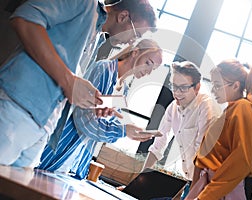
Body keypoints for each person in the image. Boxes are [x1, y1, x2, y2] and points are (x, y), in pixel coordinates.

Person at [0, 0, 157, 168]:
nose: (133, 42)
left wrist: (90, 100)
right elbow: (25, 19)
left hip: (45, 126)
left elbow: (68, 81)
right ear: (124, 16)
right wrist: (69, 81)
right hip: (17, 108)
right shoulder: (85, 3)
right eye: (137, 34)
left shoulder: (96, 37)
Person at [37, 38, 163, 179]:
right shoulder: (104, 69)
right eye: (148, 63)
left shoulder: (123, 90)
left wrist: (131, 131)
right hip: (58, 150)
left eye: (153, 69)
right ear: (135, 53)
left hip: (75, 162)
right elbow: (86, 121)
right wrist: (123, 130)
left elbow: (106, 127)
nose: (149, 71)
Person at [186, 59, 252, 200]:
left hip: (220, 190)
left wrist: (205, 196)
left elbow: (241, 160)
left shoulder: (243, 108)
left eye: (217, 85)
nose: (213, 90)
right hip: (211, 186)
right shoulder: (231, 110)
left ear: (235, 86)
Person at [142, 61, 221, 199]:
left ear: (197, 87)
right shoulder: (173, 108)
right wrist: (138, 184)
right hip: (191, 180)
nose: (177, 93)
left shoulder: (207, 107)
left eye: (183, 88)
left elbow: (201, 156)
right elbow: (158, 145)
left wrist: (192, 195)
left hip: (211, 185)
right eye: (174, 86)